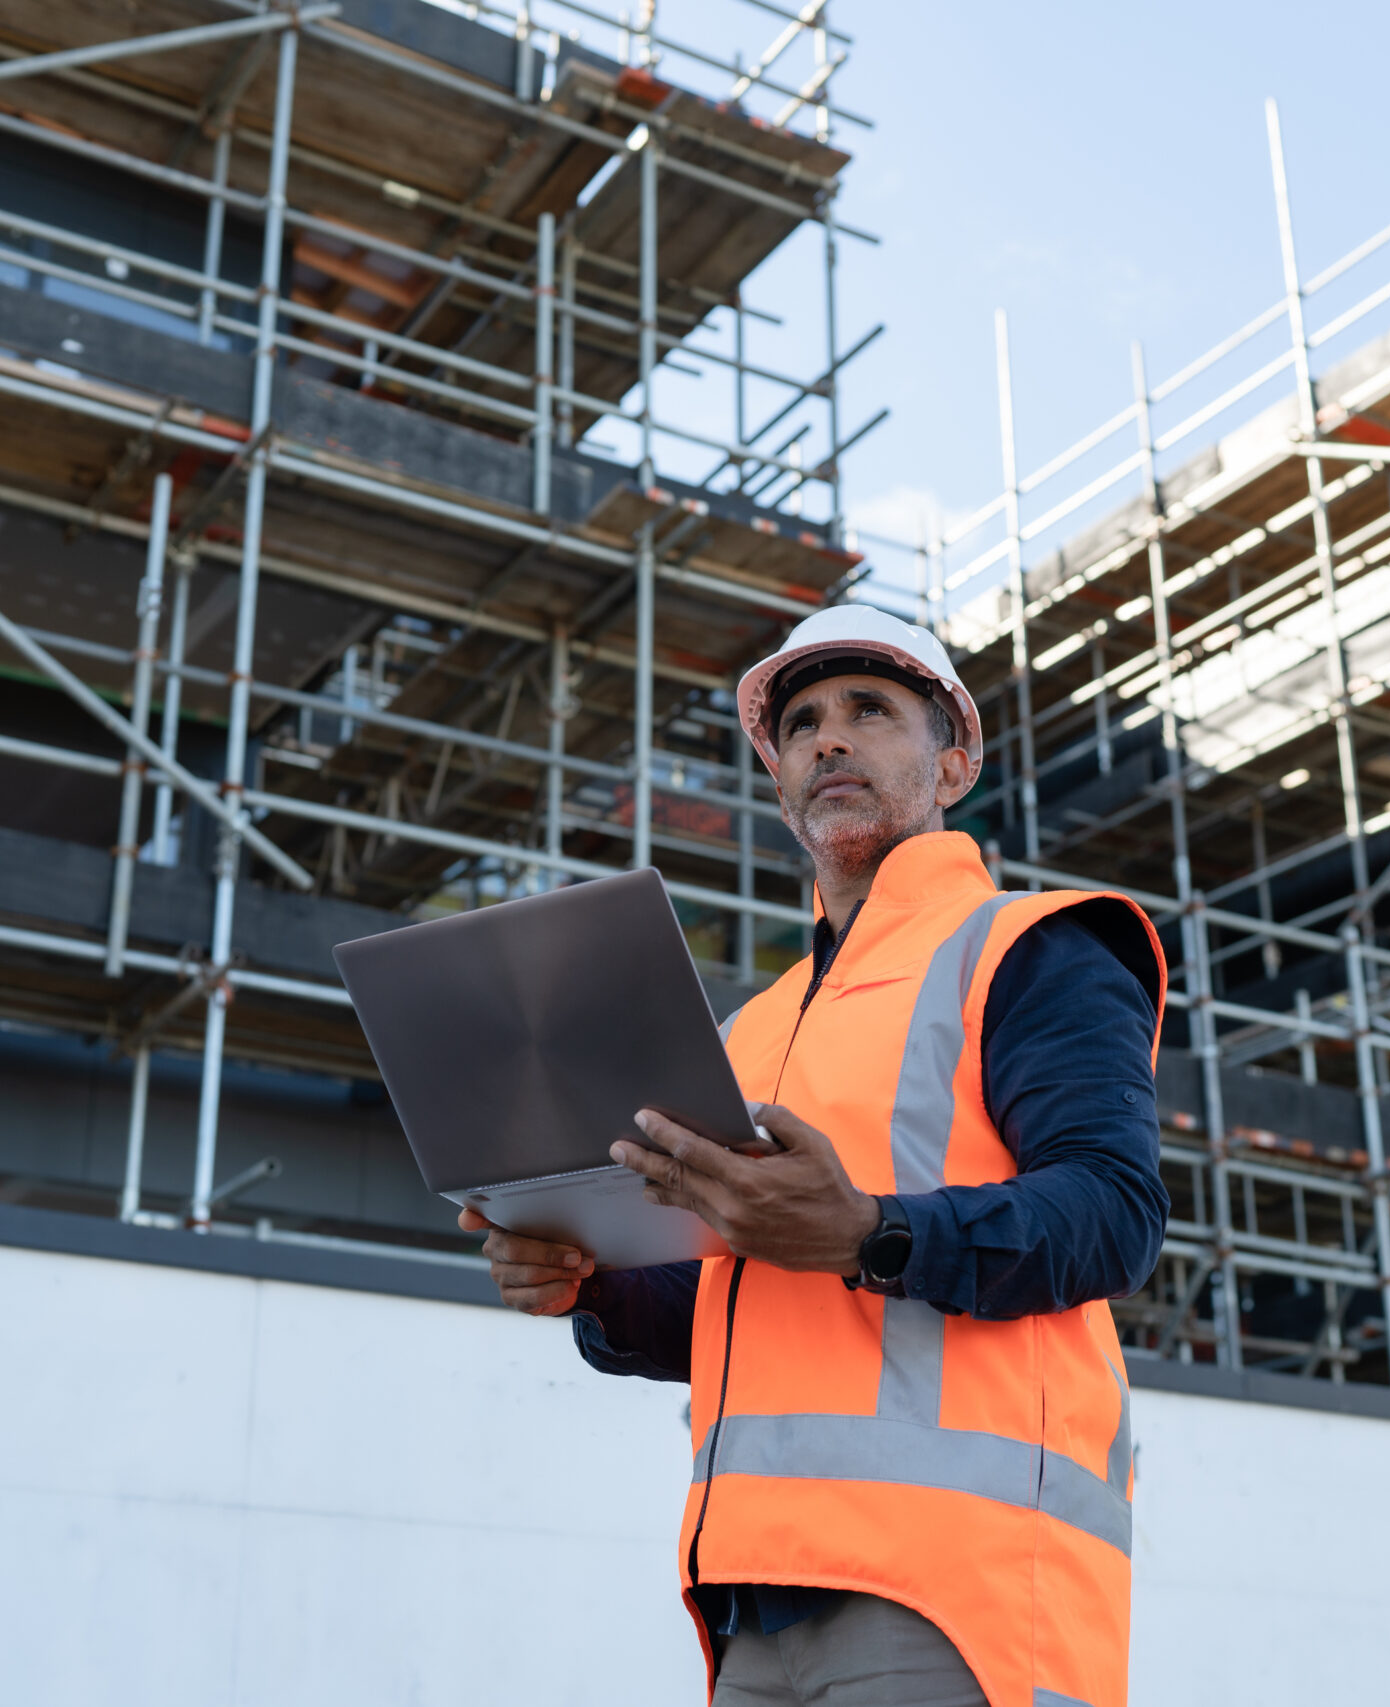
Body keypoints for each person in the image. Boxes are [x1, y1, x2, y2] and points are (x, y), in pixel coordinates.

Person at [458, 606, 1167, 1707]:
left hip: (954, 1591)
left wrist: (869, 1236)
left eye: (869, 711)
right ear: (779, 779)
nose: (827, 740)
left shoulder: (1031, 948)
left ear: (955, 763)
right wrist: (585, 1280)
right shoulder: (749, 1031)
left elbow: (1113, 1217)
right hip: (750, 1605)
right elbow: (737, 1308)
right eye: (799, 726)